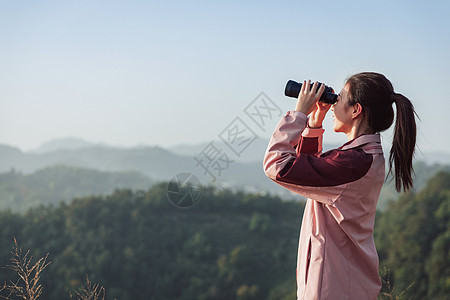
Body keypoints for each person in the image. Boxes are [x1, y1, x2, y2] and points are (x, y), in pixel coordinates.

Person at [263, 72, 417, 300]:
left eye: (340, 97)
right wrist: (315, 121)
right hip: (344, 283)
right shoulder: (362, 157)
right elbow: (309, 175)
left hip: (334, 288)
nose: (334, 105)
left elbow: (277, 165)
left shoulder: (353, 163)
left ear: (356, 110)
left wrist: (299, 114)